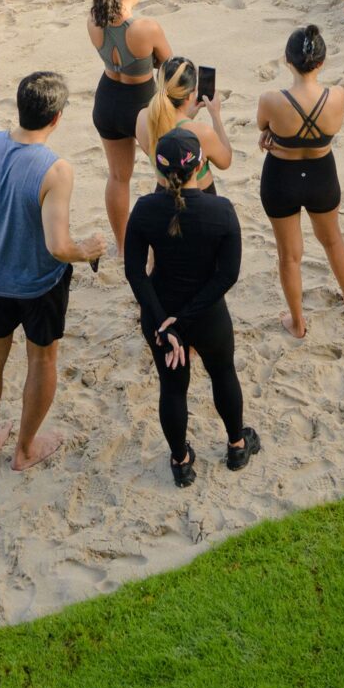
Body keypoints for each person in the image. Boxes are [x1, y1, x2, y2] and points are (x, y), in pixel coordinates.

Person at [0, 71, 104, 471]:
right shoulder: (56, 170)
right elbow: (57, 246)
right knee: (42, 360)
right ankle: (25, 449)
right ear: (57, 118)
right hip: (37, 283)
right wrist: (86, 250)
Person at [124, 128, 259, 487]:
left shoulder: (145, 209)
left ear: (158, 168)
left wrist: (165, 323)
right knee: (223, 373)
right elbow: (227, 275)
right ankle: (237, 445)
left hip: (160, 309)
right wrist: (185, 318)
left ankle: (181, 462)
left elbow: (135, 273)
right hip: (207, 312)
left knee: (172, 388)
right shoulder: (221, 210)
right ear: (200, 165)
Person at [256, 26, 344, 338]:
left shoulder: (271, 99)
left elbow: (263, 124)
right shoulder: (338, 96)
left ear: (288, 62)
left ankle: (298, 323)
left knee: (289, 255)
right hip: (321, 174)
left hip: (281, 176)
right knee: (332, 240)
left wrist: (271, 133)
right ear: (322, 62)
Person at [86, 0, 170, 252]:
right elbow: (169, 66)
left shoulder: (93, 21)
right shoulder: (146, 28)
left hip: (108, 99)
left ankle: (123, 247)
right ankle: (158, 247)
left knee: (118, 177)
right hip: (141, 103)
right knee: (166, 174)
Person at [141, 57, 231, 190]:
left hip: (162, 192)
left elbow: (168, 142)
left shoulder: (143, 118)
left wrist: (187, 117)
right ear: (189, 95)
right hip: (198, 195)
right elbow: (225, 161)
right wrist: (215, 115)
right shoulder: (202, 133)